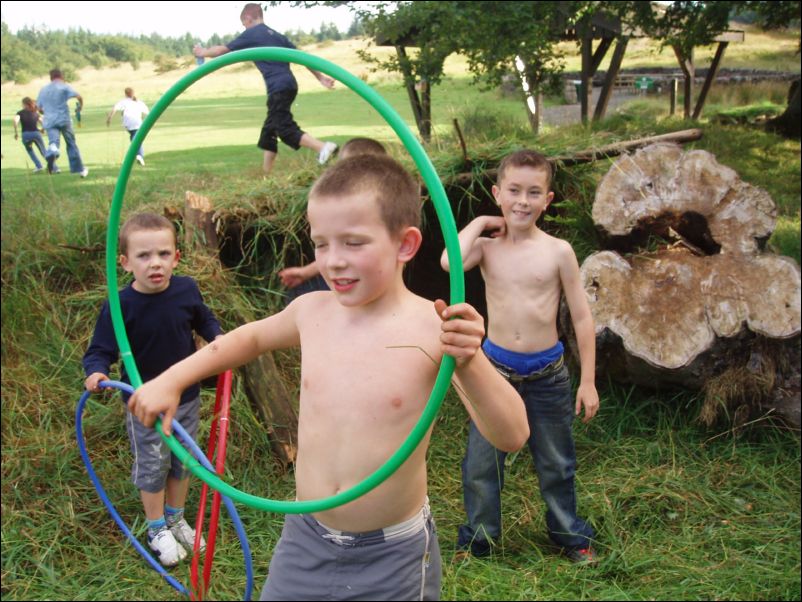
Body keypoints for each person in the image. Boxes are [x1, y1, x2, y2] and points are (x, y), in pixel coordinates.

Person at [128, 155, 529, 600]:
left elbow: (511, 434)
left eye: (353, 243)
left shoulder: (433, 327)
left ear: (405, 244)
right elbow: (245, 341)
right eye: (321, 244)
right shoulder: (311, 311)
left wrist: (470, 359)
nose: (333, 262)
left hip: (392, 556)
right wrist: (171, 379)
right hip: (305, 537)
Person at [440, 149, 600, 564]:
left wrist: (587, 381)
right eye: (513, 191)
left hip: (548, 374)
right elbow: (447, 261)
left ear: (547, 200)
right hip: (494, 373)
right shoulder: (488, 249)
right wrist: (479, 223)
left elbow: (582, 317)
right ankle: (480, 540)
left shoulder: (558, 251)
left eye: (533, 192)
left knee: (557, 462)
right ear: (498, 194)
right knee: (481, 463)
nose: (522, 201)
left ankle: (570, 536)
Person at [83, 213, 223, 567]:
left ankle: (176, 517)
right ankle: (156, 526)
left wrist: (219, 339)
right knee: (153, 464)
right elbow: (101, 348)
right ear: (125, 262)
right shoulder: (120, 305)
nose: (155, 263)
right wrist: (97, 372)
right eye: (144, 256)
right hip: (144, 403)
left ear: (176, 257)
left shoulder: (186, 289)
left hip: (187, 397)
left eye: (163, 254)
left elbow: (202, 318)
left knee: (183, 460)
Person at [193, 3, 338, 175]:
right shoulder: (277, 36)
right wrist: (320, 77)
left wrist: (202, 52)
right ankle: (266, 176)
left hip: (278, 87)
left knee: (284, 128)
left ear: (247, 17)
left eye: (243, 23)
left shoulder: (252, 33)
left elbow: (222, 51)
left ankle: (323, 147)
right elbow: (303, 58)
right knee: (270, 130)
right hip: (289, 84)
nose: (244, 27)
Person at [277, 137, 388, 295]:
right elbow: (337, 251)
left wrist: (306, 272)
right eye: (320, 244)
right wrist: (305, 272)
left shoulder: (370, 206)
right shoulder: (342, 201)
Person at [36, 68, 89, 177]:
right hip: (64, 119)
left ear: (51, 77)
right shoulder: (64, 86)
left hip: (49, 120)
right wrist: (80, 108)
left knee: (53, 142)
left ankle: (53, 151)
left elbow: (39, 108)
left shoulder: (44, 89)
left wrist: (47, 111)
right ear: (61, 76)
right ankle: (78, 169)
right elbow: (79, 97)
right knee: (71, 143)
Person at [107, 87, 150, 166]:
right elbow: (148, 112)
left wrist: (109, 118)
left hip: (128, 123)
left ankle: (136, 156)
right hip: (137, 122)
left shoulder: (123, 102)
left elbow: (114, 109)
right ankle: (140, 156)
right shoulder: (138, 102)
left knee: (134, 137)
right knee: (136, 138)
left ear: (125, 94)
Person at [13, 97, 47, 173]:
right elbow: (43, 122)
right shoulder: (35, 113)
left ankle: (39, 165)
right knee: (43, 151)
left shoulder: (20, 113)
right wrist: (42, 130)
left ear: (25, 104)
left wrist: (16, 132)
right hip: (36, 134)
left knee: (30, 150)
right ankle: (54, 167)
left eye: (22, 104)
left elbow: (15, 121)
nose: (21, 105)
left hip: (26, 135)